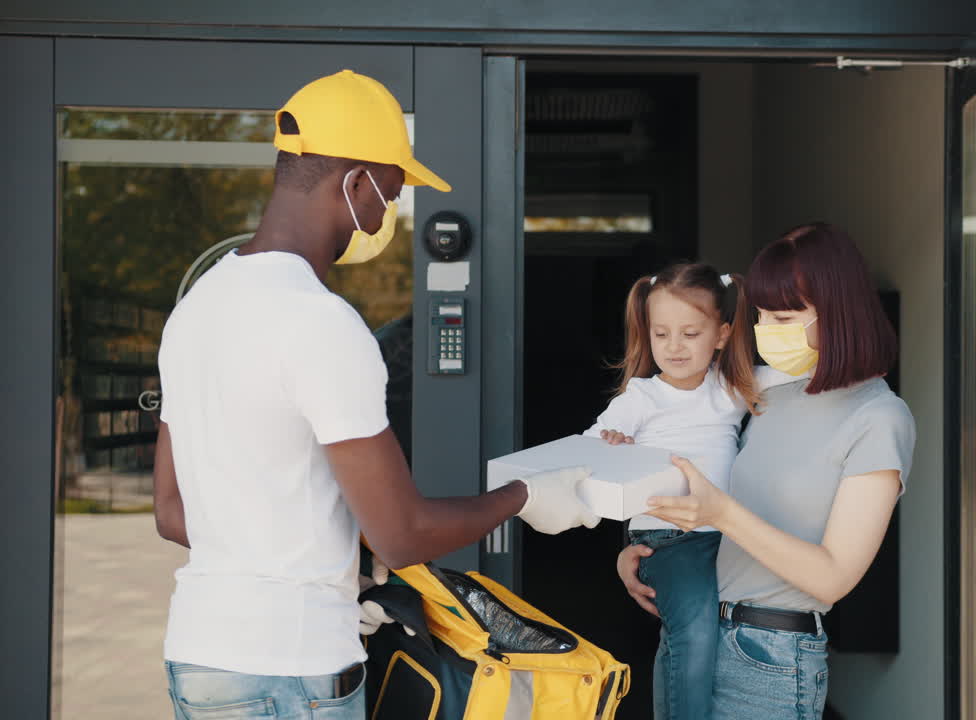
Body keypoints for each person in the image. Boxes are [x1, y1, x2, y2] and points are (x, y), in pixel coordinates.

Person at [152, 70, 597, 719]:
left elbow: (171, 511)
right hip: (290, 671)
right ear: (355, 183)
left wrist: (337, 568)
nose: (386, 215)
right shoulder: (320, 322)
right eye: (389, 195)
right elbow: (402, 535)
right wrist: (524, 496)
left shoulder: (197, 308)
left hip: (201, 658)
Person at [617, 223, 916, 719]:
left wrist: (722, 514)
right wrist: (646, 552)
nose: (766, 329)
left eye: (783, 317)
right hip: (694, 633)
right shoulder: (769, 393)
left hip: (770, 656)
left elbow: (833, 578)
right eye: (761, 315)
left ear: (838, 311)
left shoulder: (879, 416)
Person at [588, 263, 759, 720]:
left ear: (721, 335)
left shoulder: (730, 387)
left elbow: (791, 383)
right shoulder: (642, 397)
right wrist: (611, 443)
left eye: (690, 333)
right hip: (667, 539)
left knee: (706, 637)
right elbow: (589, 446)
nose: (674, 346)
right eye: (661, 334)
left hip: (725, 534)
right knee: (694, 634)